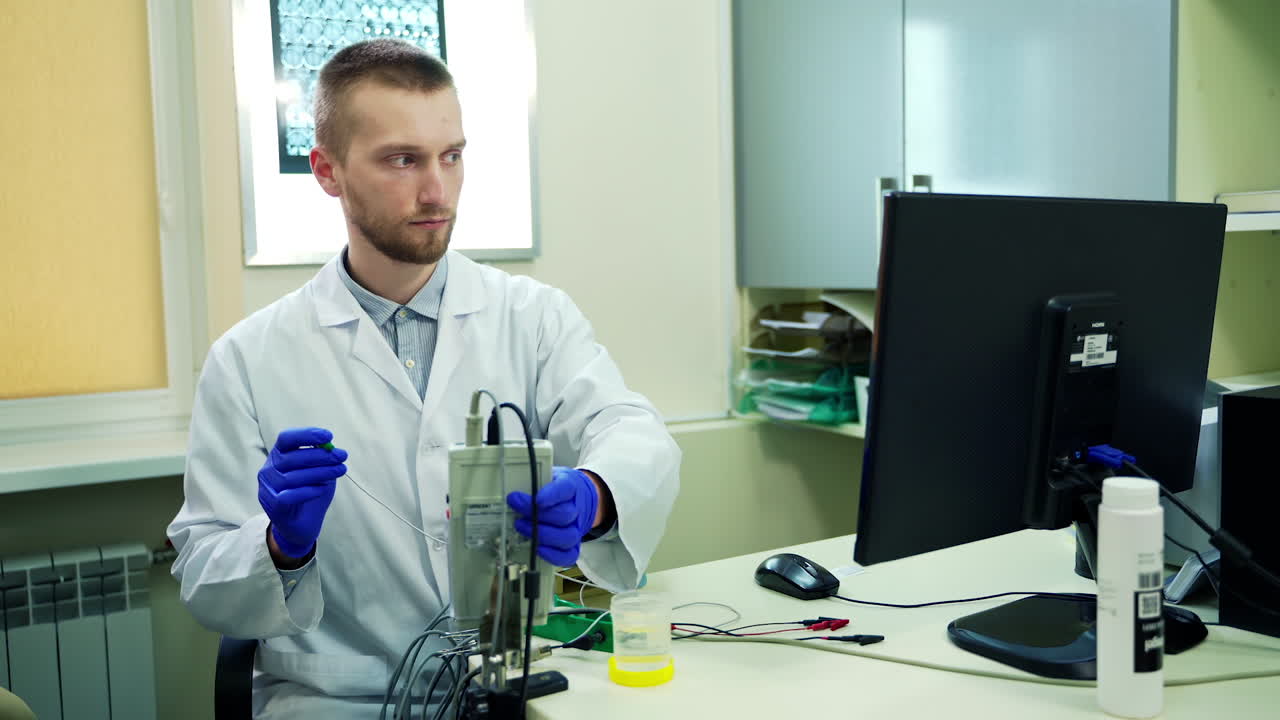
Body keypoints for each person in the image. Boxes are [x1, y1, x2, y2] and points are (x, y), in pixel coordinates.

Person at [167, 39, 680, 717]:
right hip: (338, 699)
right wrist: (279, 545)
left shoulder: (533, 317)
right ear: (327, 171)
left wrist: (596, 495)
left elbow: (631, 429)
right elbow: (205, 576)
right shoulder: (247, 359)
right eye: (402, 160)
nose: (438, 191)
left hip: (512, 686)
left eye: (451, 156)